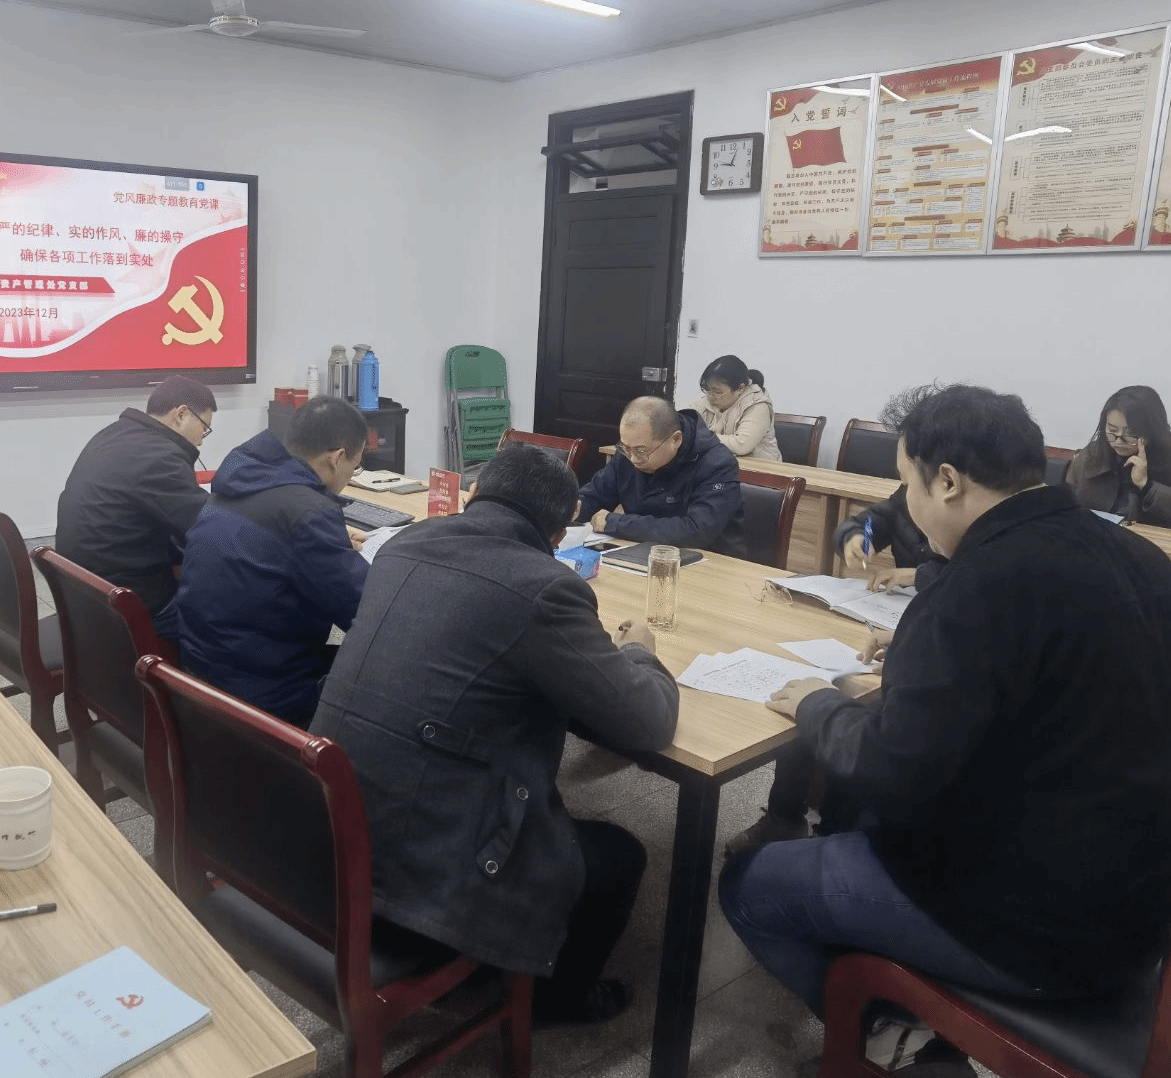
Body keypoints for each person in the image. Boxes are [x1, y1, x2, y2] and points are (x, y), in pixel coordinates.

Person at [719, 385, 1171, 1078]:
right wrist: (924, 671)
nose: (907, 505)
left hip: (1037, 925)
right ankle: (898, 999)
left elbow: (890, 767)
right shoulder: (1144, 560)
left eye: (906, 484)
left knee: (752, 884)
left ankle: (896, 1046)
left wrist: (818, 702)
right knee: (856, 826)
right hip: (1139, 897)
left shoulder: (980, 585)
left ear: (947, 480)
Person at [312, 445, 678, 1025]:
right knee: (620, 855)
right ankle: (555, 1003)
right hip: (419, 867)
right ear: (559, 533)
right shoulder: (546, 587)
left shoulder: (404, 545)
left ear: (475, 495)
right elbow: (648, 722)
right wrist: (639, 653)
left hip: (332, 821)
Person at [727, 390, 948, 858]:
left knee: (845, 700)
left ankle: (835, 835)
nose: (905, 490)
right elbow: (873, 520)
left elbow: (963, 574)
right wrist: (856, 537)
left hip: (922, 625)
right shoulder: (911, 495)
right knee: (814, 683)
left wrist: (918, 574)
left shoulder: (988, 555)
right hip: (885, 621)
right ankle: (784, 819)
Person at [172, 396, 369, 725]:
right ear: (337, 458)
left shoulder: (237, 482)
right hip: (265, 693)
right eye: (356, 466)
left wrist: (328, 543)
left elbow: (269, 545)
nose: (351, 474)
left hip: (202, 671)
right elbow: (364, 610)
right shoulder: (308, 510)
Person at [55, 375, 215, 624]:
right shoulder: (159, 456)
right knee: (232, 609)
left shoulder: (113, 434)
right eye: (204, 427)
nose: (202, 439)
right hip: (126, 605)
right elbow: (207, 527)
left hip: (83, 592)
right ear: (182, 414)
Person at [578, 396, 746, 555]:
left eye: (641, 451)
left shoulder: (717, 464)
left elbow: (696, 531)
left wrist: (617, 523)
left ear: (676, 440)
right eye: (626, 448)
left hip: (710, 562)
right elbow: (594, 496)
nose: (634, 459)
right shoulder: (629, 453)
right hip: (640, 552)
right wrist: (571, 507)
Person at [1066, 384, 1171, 532]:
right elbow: (1067, 505)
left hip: (1156, 544)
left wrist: (1147, 486)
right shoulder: (1092, 454)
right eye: (1112, 430)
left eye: (1129, 433)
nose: (1118, 440)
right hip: (1097, 540)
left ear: (1152, 430)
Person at [694, 355, 781, 461]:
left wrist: (702, 437)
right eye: (707, 389)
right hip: (721, 463)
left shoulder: (758, 405)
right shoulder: (709, 399)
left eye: (717, 391)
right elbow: (685, 425)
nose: (710, 396)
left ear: (740, 388)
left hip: (760, 467)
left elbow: (741, 445)